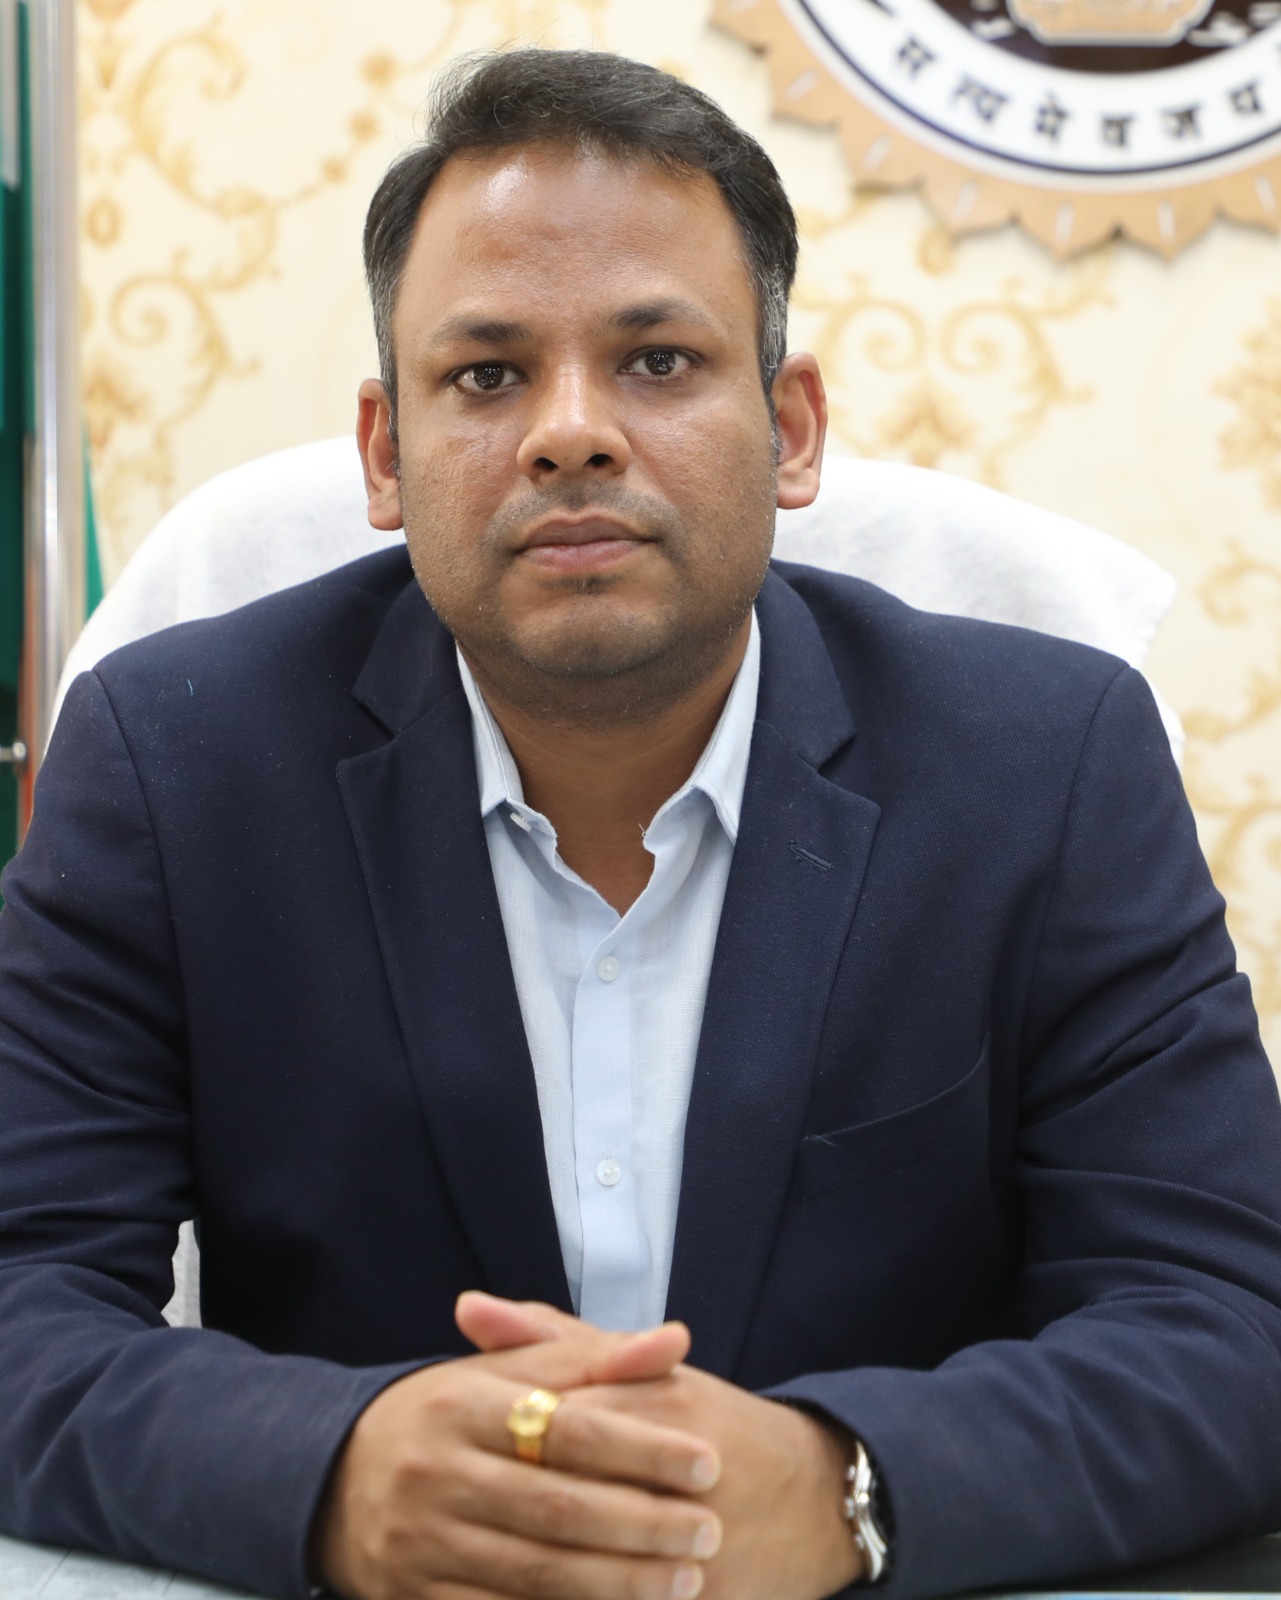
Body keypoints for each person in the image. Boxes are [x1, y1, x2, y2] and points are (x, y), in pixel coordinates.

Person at [1, 45, 1280, 1600]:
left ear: (791, 429)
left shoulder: (1043, 762)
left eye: (658, 361)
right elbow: (20, 1296)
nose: (570, 434)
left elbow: (1227, 1323)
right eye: (486, 376)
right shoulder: (174, 764)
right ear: (385, 457)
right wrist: (326, 1465)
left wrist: (842, 1486)